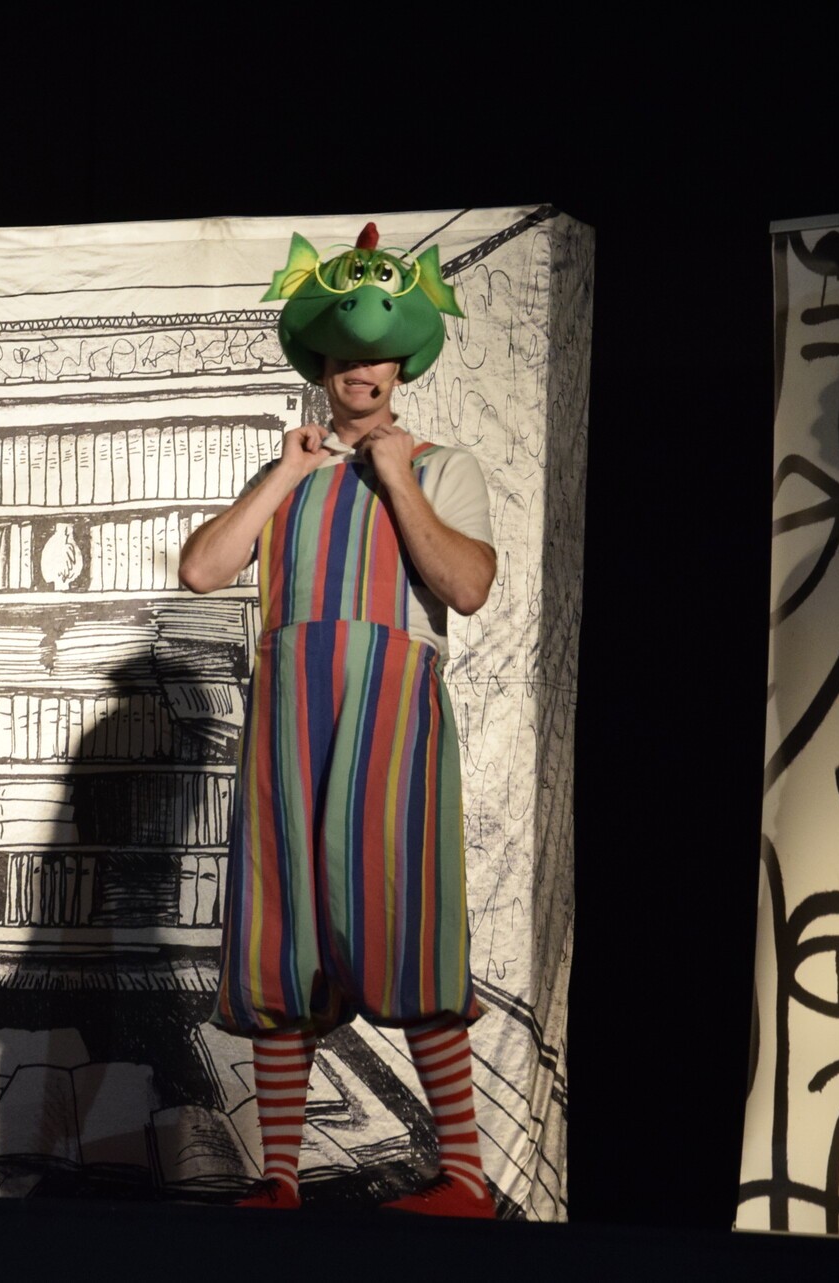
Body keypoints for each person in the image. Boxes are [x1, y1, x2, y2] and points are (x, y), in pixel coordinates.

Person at [178, 225, 498, 1217]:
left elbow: (467, 586)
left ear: (402, 364)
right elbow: (202, 570)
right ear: (322, 362)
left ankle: (464, 1176)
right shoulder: (290, 471)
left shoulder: (443, 465)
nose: (365, 368)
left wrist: (395, 474)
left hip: (390, 711)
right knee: (280, 928)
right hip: (290, 717)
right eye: (349, 352)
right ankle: (280, 1175)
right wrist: (284, 473)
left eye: (381, 352)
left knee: (406, 915)